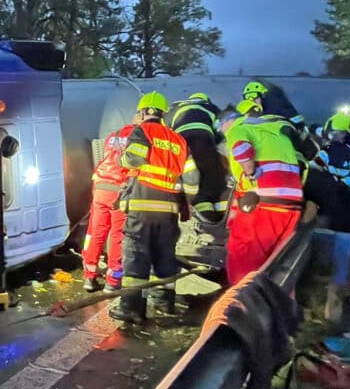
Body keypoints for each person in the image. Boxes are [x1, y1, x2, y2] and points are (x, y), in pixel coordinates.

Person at [109, 92, 192, 323]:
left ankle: (132, 308)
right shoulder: (179, 140)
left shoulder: (142, 131)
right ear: (163, 114)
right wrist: (187, 205)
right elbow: (192, 178)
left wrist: (121, 160)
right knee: (165, 255)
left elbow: (134, 159)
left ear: (145, 112)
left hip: (142, 205)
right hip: (169, 209)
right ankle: (165, 304)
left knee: (136, 254)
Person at [220, 105, 304, 285]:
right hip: (292, 204)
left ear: (227, 123)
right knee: (276, 261)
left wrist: (250, 171)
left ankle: (239, 305)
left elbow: (241, 148)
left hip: (265, 202)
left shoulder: (239, 129)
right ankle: (274, 304)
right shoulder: (276, 134)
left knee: (242, 255)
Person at [81, 111, 140, 292]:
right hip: (119, 190)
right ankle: (113, 281)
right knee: (117, 236)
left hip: (101, 187)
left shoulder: (113, 136)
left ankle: (89, 277)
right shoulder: (140, 136)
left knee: (95, 233)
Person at [170, 92, 228, 222]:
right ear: (206, 100)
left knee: (193, 185)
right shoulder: (211, 108)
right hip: (205, 142)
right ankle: (218, 219)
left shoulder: (175, 108)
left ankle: (198, 210)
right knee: (212, 184)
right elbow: (221, 132)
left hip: (181, 146)